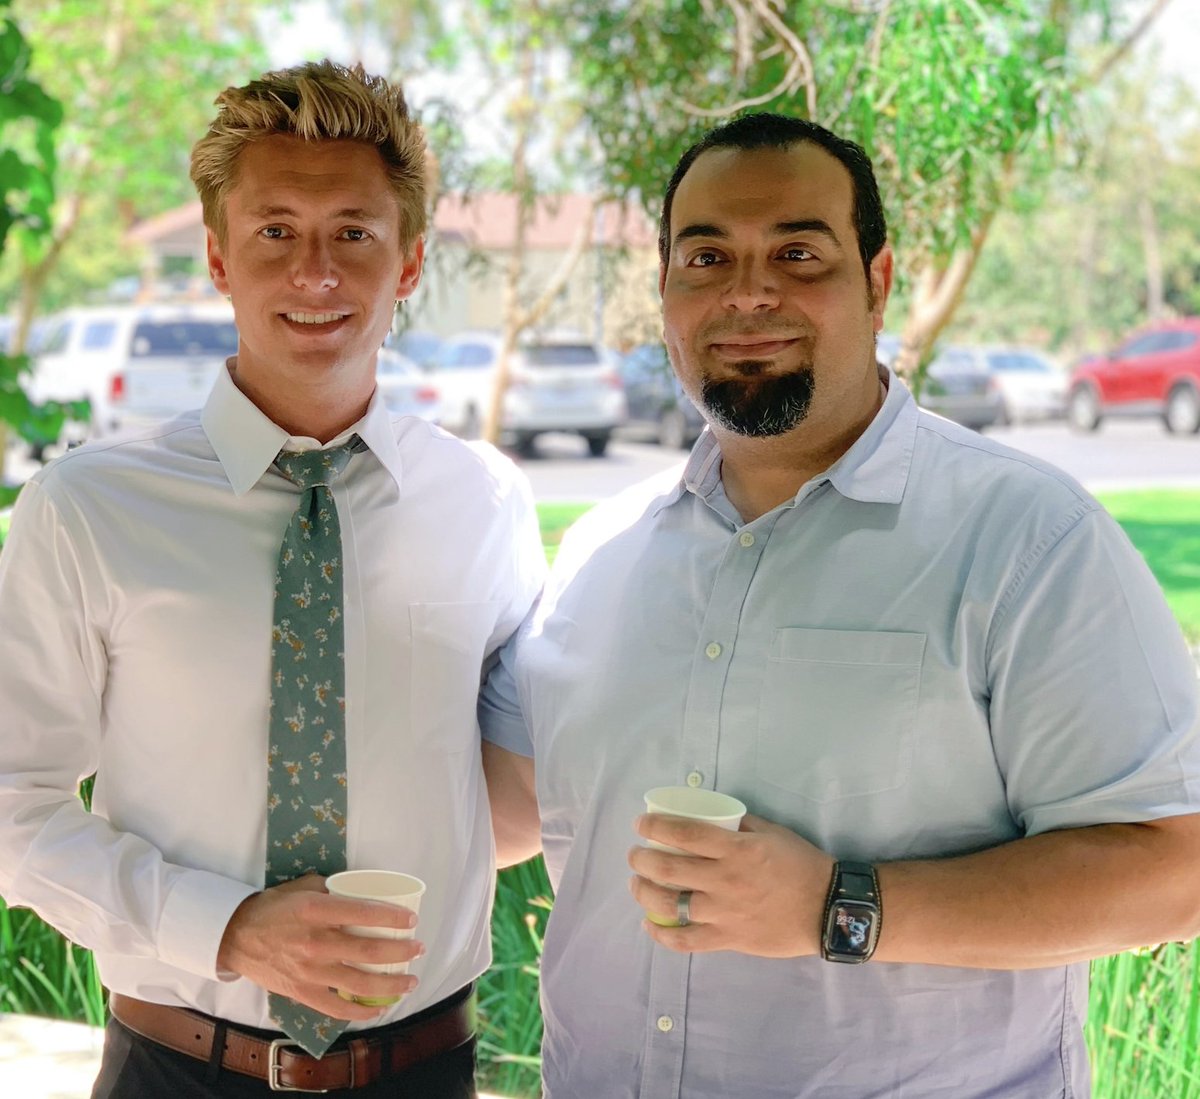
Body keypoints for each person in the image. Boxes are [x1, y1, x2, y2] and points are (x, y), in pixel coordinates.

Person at [479, 112, 1200, 1098]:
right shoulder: (600, 554)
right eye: (706, 257)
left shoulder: (1028, 539)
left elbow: (1173, 871)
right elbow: (505, 808)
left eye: (798, 253)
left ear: (878, 280)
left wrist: (837, 906)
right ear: (666, 293)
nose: (748, 292)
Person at [0, 61, 544, 1098]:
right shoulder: (87, 509)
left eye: (354, 232)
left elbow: (510, 792)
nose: (316, 272)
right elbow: (11, 805)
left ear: (410, 259)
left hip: (426, 1068)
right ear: (219, 256)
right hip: (176, 1069)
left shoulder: (487, 503)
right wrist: (231, 927)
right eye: (276, 231)